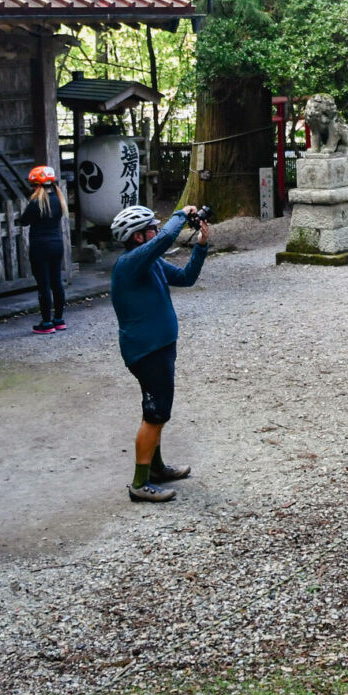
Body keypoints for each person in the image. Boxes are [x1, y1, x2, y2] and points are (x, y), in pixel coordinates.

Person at [109, 202, 210, 503]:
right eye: (151, 227)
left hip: (160, 348)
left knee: (158, 411)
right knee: (154, 415)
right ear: (138, 237)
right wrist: (181, 214)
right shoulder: (131, 263)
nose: (157, 229)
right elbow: (166, 238)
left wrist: (201, 246)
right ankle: (140, 483)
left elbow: (186, 277)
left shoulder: (150, 263)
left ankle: (156, 468)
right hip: (147, 351)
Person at [17, 166, 69, 334]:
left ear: (36, 186)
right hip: (57, 245)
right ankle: (59, 319)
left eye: (32, 185)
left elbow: (24, 221)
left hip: (40, 246)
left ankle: (46, 322)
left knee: (44, 285)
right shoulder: (59, 200)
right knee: (57, 282)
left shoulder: (35, 203)